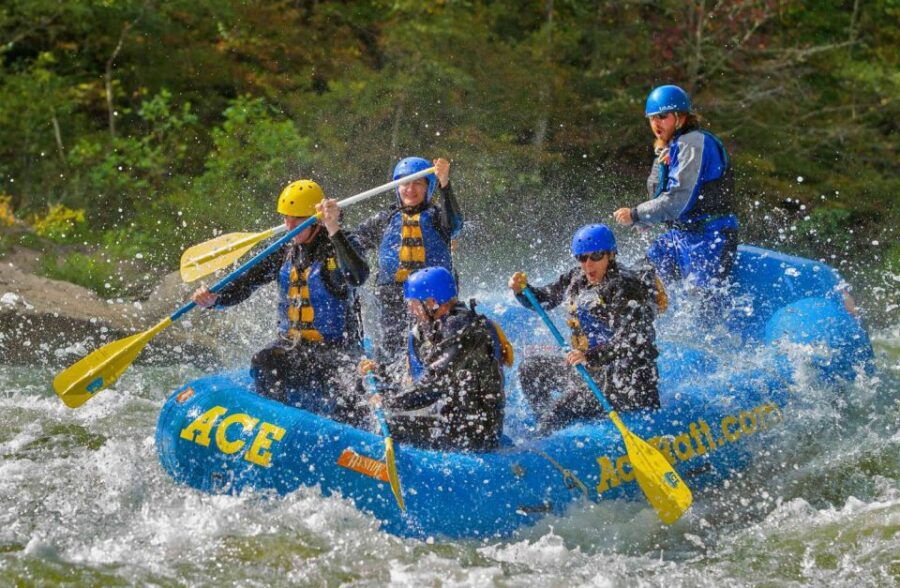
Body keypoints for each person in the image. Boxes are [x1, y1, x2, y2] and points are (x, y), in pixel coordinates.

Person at [192, 179, 369, 422]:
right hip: (294, 347)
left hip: (337, 352)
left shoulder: (339, 243)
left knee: (349, 390)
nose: (288, 225)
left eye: (295, 219)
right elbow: (245, 283)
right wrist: (215, 299)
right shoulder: (284, 251)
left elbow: (357, 276)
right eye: (285, 218)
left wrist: (334, 229)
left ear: (314, 218)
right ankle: (274, 424)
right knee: (264, 360)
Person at [508, 224, 662, 434]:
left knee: (560, 409)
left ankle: (548, 428)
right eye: (582, 258)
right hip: (592, 371)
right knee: (530, 369)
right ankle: (545, 426)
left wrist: (589, 356)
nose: (588, 264)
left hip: (626, 382)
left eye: (596, 256)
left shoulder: (626, 287)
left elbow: (632, 341)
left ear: (610, 255)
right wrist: (522, 291)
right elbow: (544, 300)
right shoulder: (576, 278)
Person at [359, 267, 512, 452]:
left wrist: (389, 402)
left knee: (388, 426)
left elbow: (434, 384)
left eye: (414, 303)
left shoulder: (465, 330)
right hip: (449, 421)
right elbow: (411, 371)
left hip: (475, 434)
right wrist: (380, 371)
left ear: (432, 303)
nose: (410, 309)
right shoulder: (433, 327)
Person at [613, 84, 738, 288]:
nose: (656, 123)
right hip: (680, 237)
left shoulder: (694, 143)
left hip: (711, 237)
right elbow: (659, 192)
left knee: (701, 303)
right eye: (652, 118)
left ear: (681, 117)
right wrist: (647, 220)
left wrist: (636, 214)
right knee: (638, 281)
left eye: (663, 117)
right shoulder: (670, 147)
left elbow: (678, 199)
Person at [355, 157, 463, 362]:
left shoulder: (438, 217)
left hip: (433, 293)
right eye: (405, 183)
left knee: (436, 341)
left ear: (429, 187)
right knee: (391, 346)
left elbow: (455, 225)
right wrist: (331, 224)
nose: (410, 189)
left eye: (418, 184)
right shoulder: (384, 219)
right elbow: (353, 243)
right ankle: (387, 384)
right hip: (392, 293)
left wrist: (445, 185)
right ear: (397, 187)